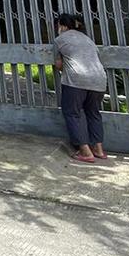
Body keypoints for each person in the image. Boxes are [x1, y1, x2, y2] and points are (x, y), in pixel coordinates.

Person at [54, 12, 108, 164]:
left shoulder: (60, 40)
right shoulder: (87, 39)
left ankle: (85, 152)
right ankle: (98, 150)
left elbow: (59, 65)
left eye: (58, 25)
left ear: (63, 26)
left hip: (76, 81)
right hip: (99, 79)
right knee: (93, 113)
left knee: (72, 113)